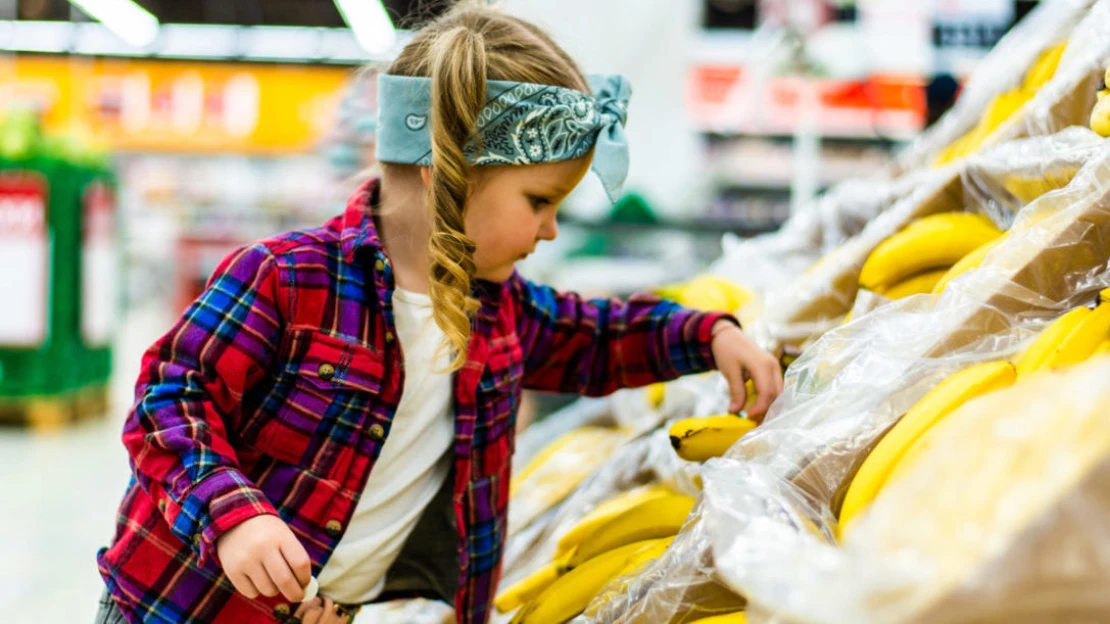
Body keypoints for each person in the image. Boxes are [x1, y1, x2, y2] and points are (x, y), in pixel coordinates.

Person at [95, 4, 784, 623]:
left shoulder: (496, 311)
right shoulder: (287, 280)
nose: (548, 231)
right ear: (445, 171)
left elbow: (597, 337)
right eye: (539, 201)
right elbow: (169, 400)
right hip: (178, 604)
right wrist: (232, 516)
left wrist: (708, 333)